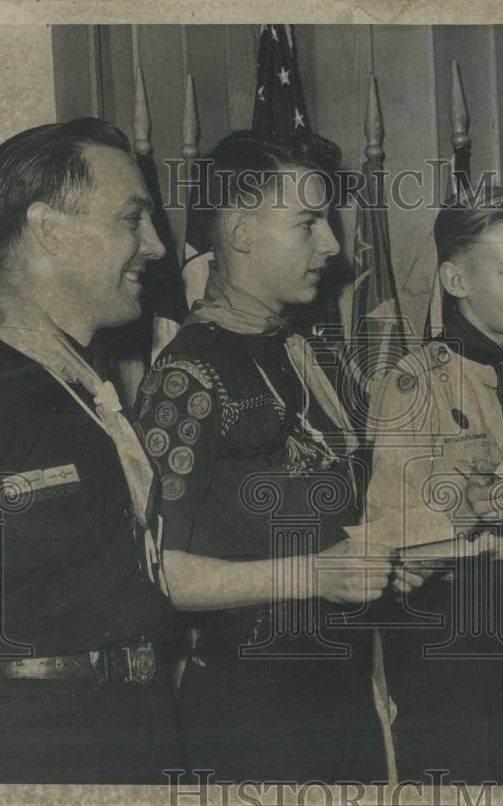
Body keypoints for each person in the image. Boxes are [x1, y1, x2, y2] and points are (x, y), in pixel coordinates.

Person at [0, 117, 176, 783]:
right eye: (132, 220)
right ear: (50, 230)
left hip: (138, 725)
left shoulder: (81, 380)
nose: (158, 247)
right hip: (23, 747)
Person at [132, 129, 393, 782]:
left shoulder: (296, 349)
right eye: (308, 224)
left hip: (338, 694)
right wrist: (316, 576)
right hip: (251, 719)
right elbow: (157, 569)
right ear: (242, 232)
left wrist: (382, 559)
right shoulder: (189, 374)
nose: (331, 245)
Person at [364, 187, 503, 785]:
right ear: (456, 280)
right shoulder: (412, 388)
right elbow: (386, 552)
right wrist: (468, 518)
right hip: (446, 657)